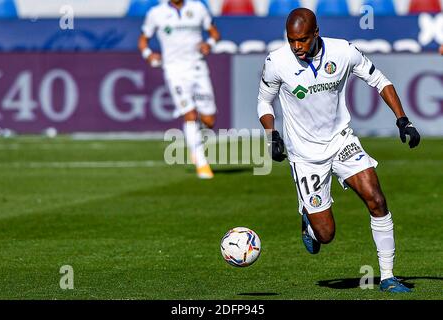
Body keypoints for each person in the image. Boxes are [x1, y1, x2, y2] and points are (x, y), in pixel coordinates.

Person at [257, 8, 420, 293]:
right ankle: (309, 221)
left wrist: (402, 120)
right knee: (326, 234)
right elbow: (264, 102)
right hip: (306, 156)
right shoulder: (277, 62)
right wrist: (272, 135)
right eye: (292, 40)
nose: (297, 46)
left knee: (377, 200)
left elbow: (380, 80)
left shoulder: (343, 51)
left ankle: (388, 277)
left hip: (342, 141)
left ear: (316, 33)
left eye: (303, 40)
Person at [139, 0, 221, 179]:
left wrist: (209, 44)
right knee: (189, 114)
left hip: (198, 69)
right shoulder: (156, 13)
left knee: (209, 119)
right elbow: (143, 40)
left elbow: (214, 33)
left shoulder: (198, 8)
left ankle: (194, 137)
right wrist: (148, 55)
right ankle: (201, 162)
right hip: (174, 71)